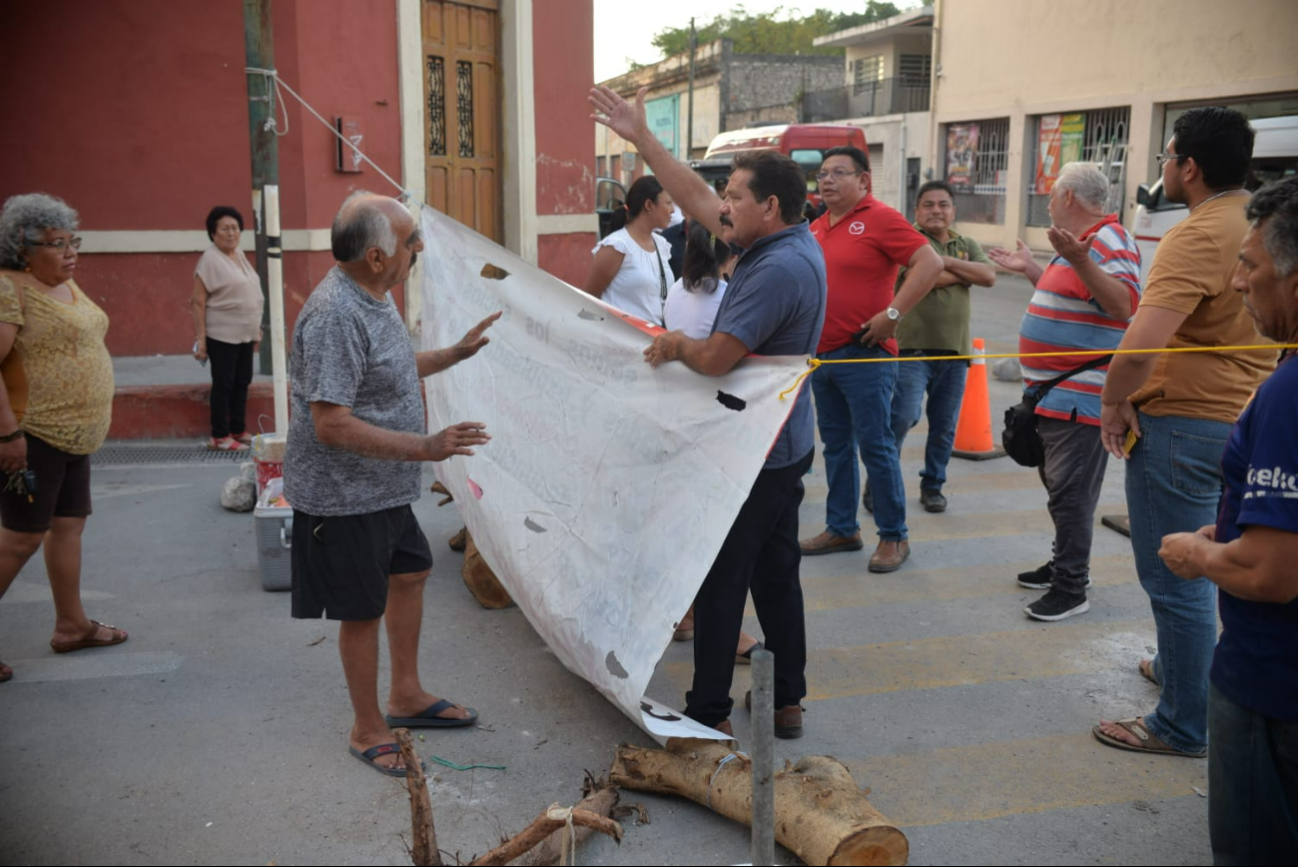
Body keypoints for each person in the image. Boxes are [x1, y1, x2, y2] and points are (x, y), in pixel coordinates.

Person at [591, 84, 826, 738]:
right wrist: (640, 137)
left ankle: (707, 713)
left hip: (756, 451)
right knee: (778, 571)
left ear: (769, 206)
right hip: (780, 444)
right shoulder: (780, 239)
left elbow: (719, 356)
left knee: (723, 578)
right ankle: (789, 699)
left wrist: (674, 345)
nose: (722, 208)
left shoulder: (778, 268)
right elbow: (695, 194)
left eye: (736, 198)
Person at [285, 191, 499, 777]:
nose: (420, 249)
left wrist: (451, 355)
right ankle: (366, 726)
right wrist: (427, 447)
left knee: (411, 571)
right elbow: (330, 423)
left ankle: (405, 695)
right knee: (362, 609)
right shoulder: (336, 314)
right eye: (411, 241)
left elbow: (388, 369)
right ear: (377, 256)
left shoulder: (373, 296)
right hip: (345, 494)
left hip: (384, 486)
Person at [1095, 108, 1271, 758]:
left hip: (1184, 424)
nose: (1164, 168)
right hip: (1238, 415)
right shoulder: (1258, 221)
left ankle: (1181, 722)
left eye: (1169, 157)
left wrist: (1114, 402)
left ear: (1188, 167)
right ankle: (1179, 670)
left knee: (1176, 574)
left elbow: (1143, 342)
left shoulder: (1198, 234)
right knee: (1198, 562)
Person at [1156, 177, 1298, 863]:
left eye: (1251, 265)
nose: (1238, 282)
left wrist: (1201, 553)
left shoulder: (1288, 393)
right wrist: (1239, 531)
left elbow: (1271, 573)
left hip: (1271, 685)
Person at [989, 163, 1142, 621]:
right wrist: (1033, 269)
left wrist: (1077, 259)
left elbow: (1122, 304)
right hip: (1053, 394)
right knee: (1059, 488)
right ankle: (1064, 563)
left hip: (1081, 394)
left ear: (1069, 197)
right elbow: (1079, 296)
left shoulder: (1106, 241)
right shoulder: (1077, 244)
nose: (1050, 203)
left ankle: (1071, 586)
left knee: (1070, 495)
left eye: (1053, 195)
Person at [798, 146, 943, 573]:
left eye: (838, 173)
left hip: (865, 354)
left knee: (876, 448)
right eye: (822, 174)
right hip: (823, 359)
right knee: (837, 448)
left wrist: (892, 315)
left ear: (863, 181)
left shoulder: (879, 217)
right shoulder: (817, 226)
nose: (826, 181)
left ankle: (894, 536)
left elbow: (929, 262)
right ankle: (842, 527)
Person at [0, 193, 124, 684]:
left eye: (73, 240)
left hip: (75, 436)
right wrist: (7, 435)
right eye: (56, 243)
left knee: (67, 526)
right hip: (32, 435)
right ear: (21, 247)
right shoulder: (10, 289)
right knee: (20, 538)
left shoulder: (61, 284)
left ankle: (71, 624)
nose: (71, 251)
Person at [664, 221, 760, 663]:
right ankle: (726, 630)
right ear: (733, 254)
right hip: (714, 423)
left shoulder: (677, 291)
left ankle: (685, 613)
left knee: (688, 525)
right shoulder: (726, 299)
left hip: (679, 418)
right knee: (716, 534)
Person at [890, 180, 996, 513]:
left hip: (955, 352)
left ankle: (933, 485)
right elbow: (919, 278)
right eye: (929, 205)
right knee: (902, 417)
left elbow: (989, 275)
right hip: (911, 350)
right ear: (917, 211)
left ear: (953, 210)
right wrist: (963, 272)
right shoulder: (908, 240)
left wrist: (941, 262)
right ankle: (881, 481)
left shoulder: (966, 243)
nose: (937, 210)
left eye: (943, 204)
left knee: (944, 426)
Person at [192, 206, 264, 451]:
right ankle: (220, 436)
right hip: (221, 334)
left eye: (235, 228)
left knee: (242, 380)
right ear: (213, 233)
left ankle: (238, 429)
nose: (231, 233)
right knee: (224, 384)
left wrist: (256, 325)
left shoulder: (238, 254)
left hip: (245, 333)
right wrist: (201, 340)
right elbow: (198, 301)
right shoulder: (210, 259)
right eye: (225, 228)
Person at [583, 176, 675, 327]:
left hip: (653, 343)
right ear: (649, 205)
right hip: (618, 343)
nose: (673, 210)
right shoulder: (616, 246)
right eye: (669, 203)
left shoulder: (661, 245)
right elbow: (589, 300)